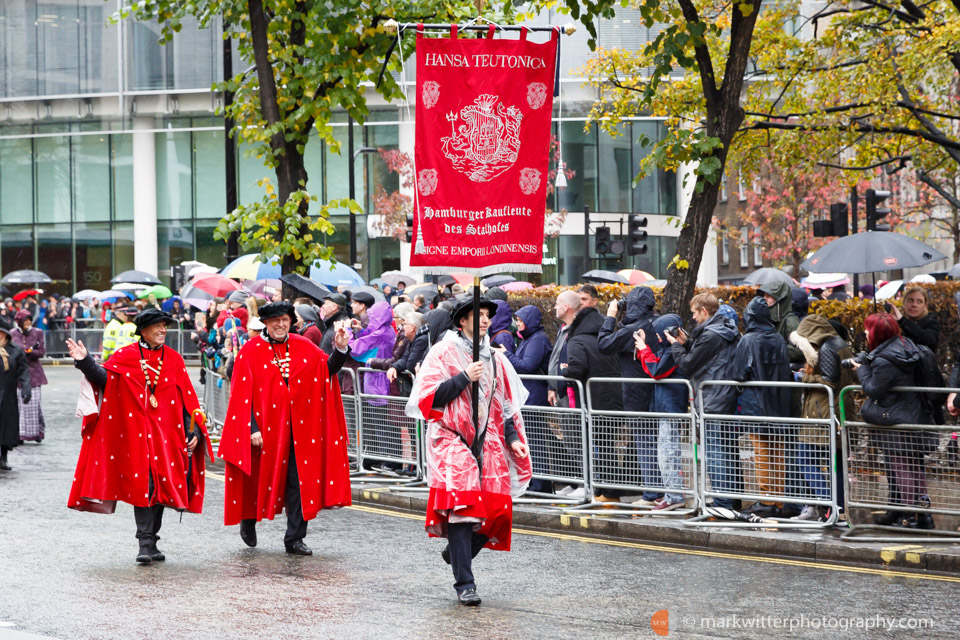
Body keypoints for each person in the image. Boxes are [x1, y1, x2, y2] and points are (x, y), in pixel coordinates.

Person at [406, 296, 531, 606]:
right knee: (462, 508)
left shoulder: (497, 359)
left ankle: (457, 553)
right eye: (478, 314)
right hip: (450, 438)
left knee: (498, 509)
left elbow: (502, 404)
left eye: (488, 314)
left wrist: (512, 437)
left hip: (488, 438)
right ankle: (465, 583)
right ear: (462, 321)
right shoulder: (443, 352)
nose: (485, 320)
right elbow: (429, 399)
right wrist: (464, 377)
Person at [65, 309, 211, 563]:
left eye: (165, 326)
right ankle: (144, 544)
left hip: (169, 436)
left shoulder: (175, 359)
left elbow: (188, 399)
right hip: (137, 436)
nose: (163, 330)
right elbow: (105, 379)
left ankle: (152, 540)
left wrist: (194, 429)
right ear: (143, 331)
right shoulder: (126, 356)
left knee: (162, 486)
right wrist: (85, 361)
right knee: (145, 485)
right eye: (158, 326)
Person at [218, 301, 353, 555]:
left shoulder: (303, 345)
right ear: (266, 324)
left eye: (285, 320)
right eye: (275, 321)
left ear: (291, 322)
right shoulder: (250, 351)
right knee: (256, 480)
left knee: (299, 483)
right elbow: (240, 396)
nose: (281, 325)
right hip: (264, 431)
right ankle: (248, 520)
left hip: (300, 432)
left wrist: (341, 348)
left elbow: (327, 371)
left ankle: (294, 538)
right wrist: (252, 428)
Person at [852, 313, 934, 529]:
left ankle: (909, 516)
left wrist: (862, 370)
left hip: (896, 418)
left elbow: (873, 389)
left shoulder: (884, 360)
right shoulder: (906, 345)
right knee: (915, 467)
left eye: (868, 328)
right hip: (913, 414)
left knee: (902, 470)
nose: (865, 332)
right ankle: (924, 516)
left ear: (877, 333)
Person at [667, 293, 740, 510]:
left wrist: (675, 346)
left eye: (695, 313)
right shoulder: (724, 330)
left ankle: (722, 504)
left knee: (716, 453)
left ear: (704, 311)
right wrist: (687, 342)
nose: (694, 318)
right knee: (725, 451)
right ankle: (728, 502)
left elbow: (688, 365)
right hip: (722, 396)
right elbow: (708, 357)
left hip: (712, 398)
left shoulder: (711, 335)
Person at [789, 314, 856, 521]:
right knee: (836, 463)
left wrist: (803, 377)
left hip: (822, 414)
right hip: (836, 412)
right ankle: (837, 509)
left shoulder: (827, 348)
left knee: (805, 460)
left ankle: (828, 502)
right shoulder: (839, 343)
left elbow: (829, 382)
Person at [731, 297, 793, 518]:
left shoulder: (748, 340)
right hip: (779, 402)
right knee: (778, 452)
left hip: (756, 403)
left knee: (762, 451)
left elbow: (738, 373)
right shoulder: (777, 338)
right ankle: (778, 499)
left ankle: (765, 499)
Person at [600, 286, 661, 505]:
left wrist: (611, 316)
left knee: (645, 443)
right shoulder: (658, 323)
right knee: (659, 444)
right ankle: (661, 493)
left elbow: (604, 344)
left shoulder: (632, 329)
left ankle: (652, 495)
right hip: (659, 393)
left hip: (637, 395)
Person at [564, 293, 623, 503]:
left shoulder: (577, 340)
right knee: (607, 444)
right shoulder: (606, 338)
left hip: (593, 400)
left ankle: (608, 491)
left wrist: (565, 371)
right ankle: (606, 489)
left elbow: (577, 368)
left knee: (598, 444)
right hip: (614, 397)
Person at [497, 305, 555, 494]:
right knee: (532, 440)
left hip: (534, 397)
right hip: (529, 396)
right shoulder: (529, 339)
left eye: (521, 321)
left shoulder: (538, 340)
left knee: (536, 442)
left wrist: (505, 354)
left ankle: (541, 485)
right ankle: (536, 483)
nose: (518, 324)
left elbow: (527, 365)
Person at [634, 314, 688, 511]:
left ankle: (674, 496)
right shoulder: (668, 349)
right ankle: (671, 494)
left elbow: (656, 371)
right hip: (666, 406)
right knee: (665, 453)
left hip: (671, 408)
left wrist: (644, 350)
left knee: (668, 454)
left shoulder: (674, 350)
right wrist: (644, 351)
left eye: (658, 334)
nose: (655, 337)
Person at [0, 320, 31, 471]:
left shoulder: (16, 350)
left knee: (7, 426)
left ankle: (3, 457)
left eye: (1, 333)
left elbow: (24, 371)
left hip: (8, 395)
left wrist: (26, 389)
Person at [12, 310, 47, 443]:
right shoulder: (12, 334)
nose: (28, 323)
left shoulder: (38, 332)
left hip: (34, 373)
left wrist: (31, 352)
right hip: (18, 374)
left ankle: (36, 433)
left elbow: (42, 351)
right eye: (25, 321)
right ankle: (20, 434)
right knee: (19, 405)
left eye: (29, 321)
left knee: (33, 404)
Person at [888, 286, 938, 351]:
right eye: (910, 300)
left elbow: (929, 340)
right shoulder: (896, 322)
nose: (914, 305)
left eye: (919, 302)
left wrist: (902, 321)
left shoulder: (931, 322)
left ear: (925, 305)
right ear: (904, 302)